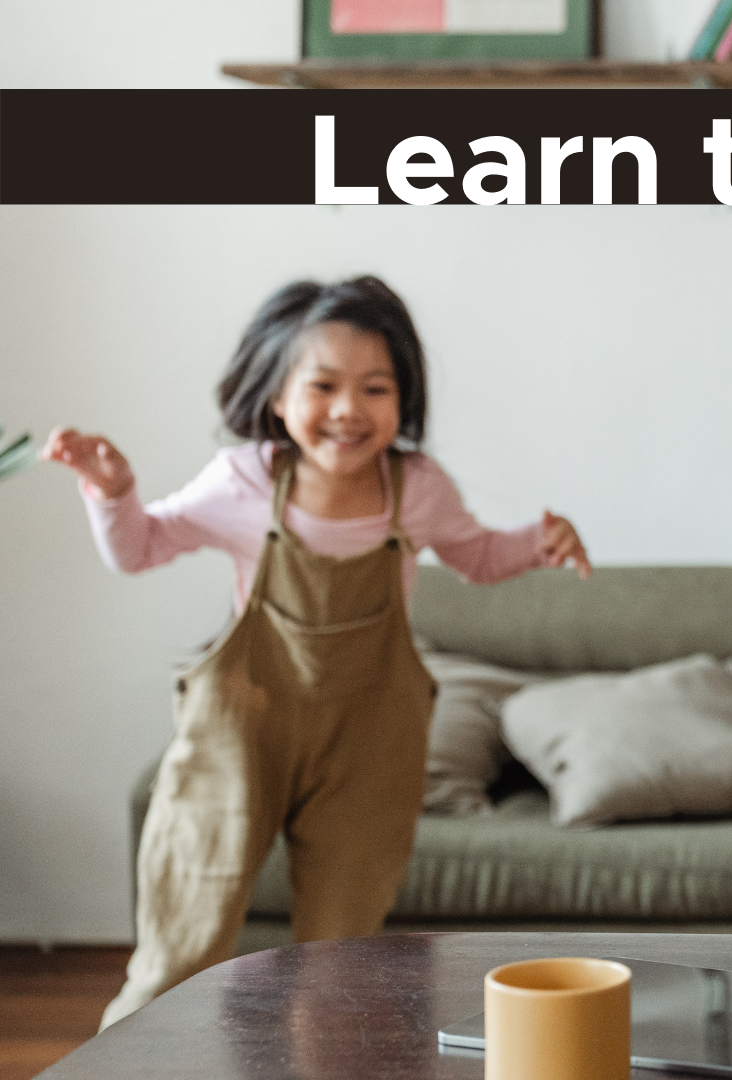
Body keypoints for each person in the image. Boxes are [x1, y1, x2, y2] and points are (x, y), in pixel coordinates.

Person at [42, 276, 592, 1027]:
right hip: (239, 735)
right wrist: (113, 494)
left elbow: (478, 557)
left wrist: (538, 542)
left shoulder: (417, 489)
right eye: (324, 385)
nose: (348, 410)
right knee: (180, 947)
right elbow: (141, 549)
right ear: (275, 396)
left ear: (404, 399)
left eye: (375, 387)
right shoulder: (243, 481)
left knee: (340, 966)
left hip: (367, 745)